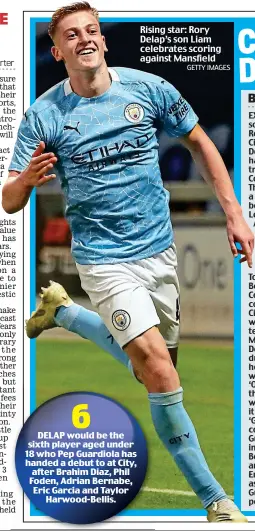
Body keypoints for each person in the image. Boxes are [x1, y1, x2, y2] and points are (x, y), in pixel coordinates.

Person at [2, 1, 253, 522]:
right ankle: (216, 500)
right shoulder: (44, 114)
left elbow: (202, 143)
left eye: (92, 30)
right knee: (159, 372)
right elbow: (8, 198)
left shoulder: (148, 89)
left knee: (157, 373)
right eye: (72, 35)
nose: (85, 39)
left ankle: (63, 313)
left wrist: (234, 213)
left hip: (158, 253)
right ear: (58, 50)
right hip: (103, 260)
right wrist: (27, 180)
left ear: (104, 41)